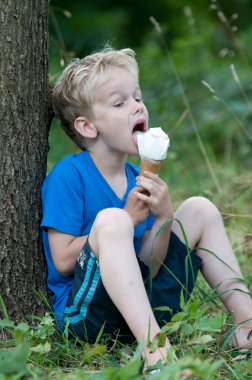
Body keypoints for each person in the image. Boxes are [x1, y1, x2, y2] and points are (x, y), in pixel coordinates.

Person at [41, 46, 252, 369]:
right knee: (112, 221)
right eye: (120, 102)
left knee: (199, 208)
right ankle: (157, 356)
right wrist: (124, 219)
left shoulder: (136, 177)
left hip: (141, 305)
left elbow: (148, 267)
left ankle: (246, 326)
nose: (137, 105)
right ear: (87, 126)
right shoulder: (69, 176)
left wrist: (164, 218)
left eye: (137, 97)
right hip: (89, 317)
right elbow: (63, 260)